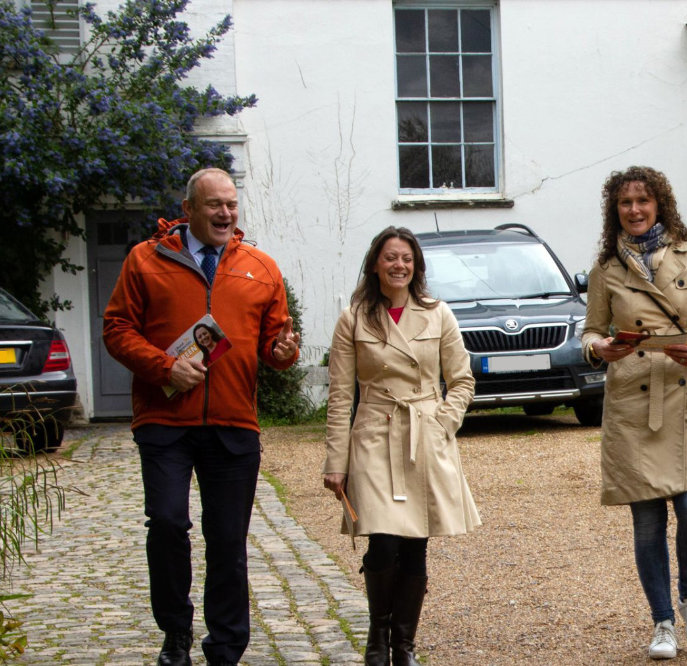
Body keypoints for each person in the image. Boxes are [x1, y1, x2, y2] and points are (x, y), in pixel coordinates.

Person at [103, 167, 301, 666]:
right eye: (214, 204)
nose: (225, 213)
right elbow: (117, 329)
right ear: (188, 209)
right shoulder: (145, 261)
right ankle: (175, 635)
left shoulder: (261, 267)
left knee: (228, 538)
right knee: (168, 524)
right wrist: (165, 366)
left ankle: (227, 648)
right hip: (165, 421)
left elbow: (275, 345)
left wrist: (283, 351)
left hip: (234, 423)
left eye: (231, 204)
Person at [581, 166, 687, 660]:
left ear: (659, 204)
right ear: (614, 211)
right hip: (633, 399)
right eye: (625, 203)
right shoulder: (605, 267)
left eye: (643, 201)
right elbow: (589, 331)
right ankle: (662, 621)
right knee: (646, 522)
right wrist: (601, 348)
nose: (635, 210)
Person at [322, 226, 479, 666]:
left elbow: (462, 380)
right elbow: (340, 395)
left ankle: (404, 645)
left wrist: (442, 422)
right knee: (384, 542)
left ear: (417, 265)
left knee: (414, 543)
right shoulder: (353, 318)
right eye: (391, 257)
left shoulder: (437, 313)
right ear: (376, 263)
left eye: (407, 259)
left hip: (423, 436)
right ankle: (379, 631)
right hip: (373, 434)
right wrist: (336, 461)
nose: (399, 266)